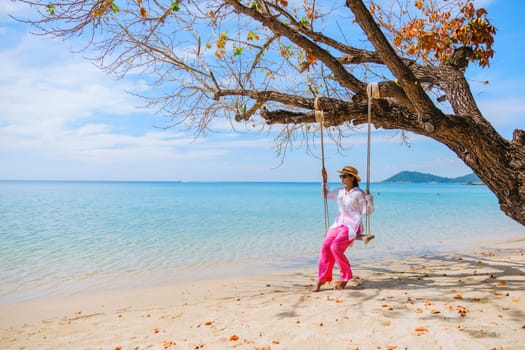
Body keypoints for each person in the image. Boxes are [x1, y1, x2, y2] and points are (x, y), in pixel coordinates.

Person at [312, 165, 375, 292]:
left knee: (335, 247)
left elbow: (366, 211)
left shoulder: (359, 194)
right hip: (337, 224)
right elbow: (325, 195)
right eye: (341, 176)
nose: (342, 178)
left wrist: (369, 198)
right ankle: (322, 278)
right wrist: (324, 181)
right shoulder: (340, 191)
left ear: (352, 178)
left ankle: (345, 277)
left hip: (351, 225)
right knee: (325, 247)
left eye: (344, 176)